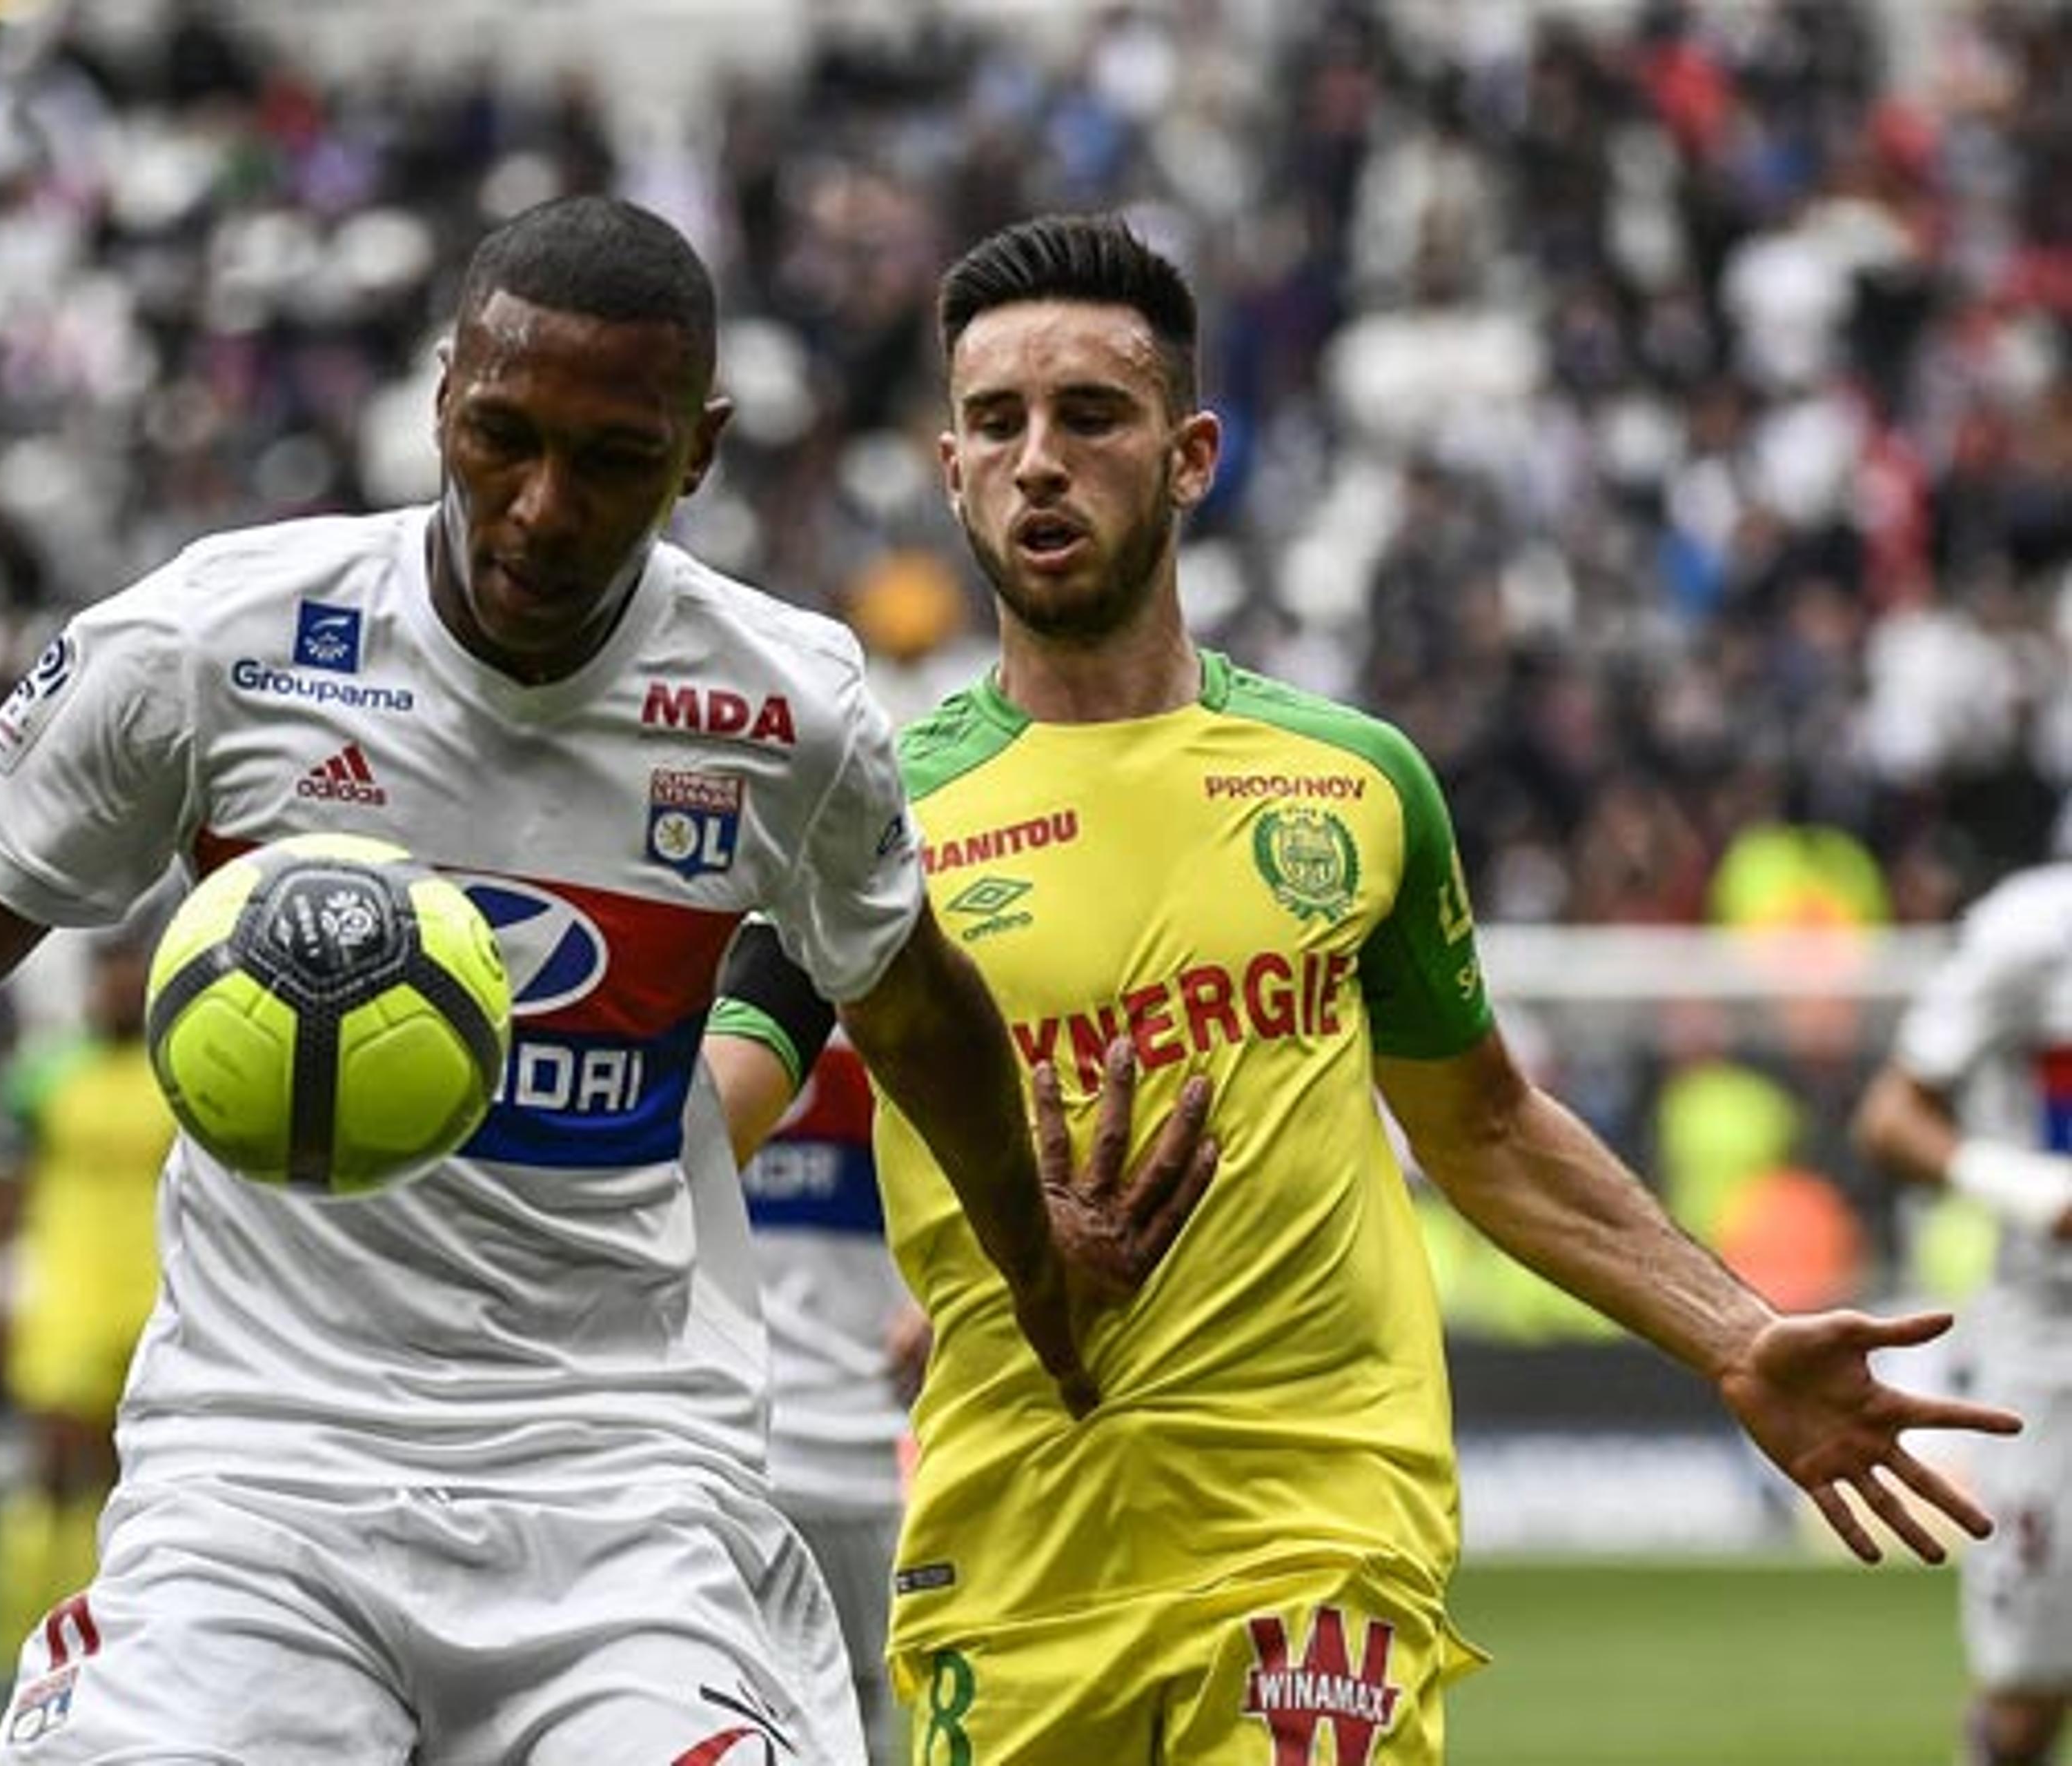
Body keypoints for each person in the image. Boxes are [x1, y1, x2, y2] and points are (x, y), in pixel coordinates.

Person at [0, 195, 1192, 1766]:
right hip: (260, 1471)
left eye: (612, 458)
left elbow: (910, 1002)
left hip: (619, 1491)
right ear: (441, 391)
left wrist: (1043, 1283)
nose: (540, 506)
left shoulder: (783, 707)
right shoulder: (213, 645)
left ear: (700, 455)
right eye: (500, 435)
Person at [704, 211, 2023, 1765]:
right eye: (997, 423)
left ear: (1193, 455)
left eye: (1092, 416)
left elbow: (1489, 1129)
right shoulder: (866, 815)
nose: (1039, 460)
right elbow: (700, 1121)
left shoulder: (1353, 782)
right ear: (950, 470)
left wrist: (1733, 1330)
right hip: (1008, 1541)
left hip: (1315, 1534)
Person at [1853, 862, 2072, 1766]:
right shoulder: (2033, 933)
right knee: (2025, 1697)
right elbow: (1890, 1119)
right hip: (2053, 1337)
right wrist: (2035, 1191)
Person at [705, 994, 916, 1765]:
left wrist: (953, 1289)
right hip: (738, 1447)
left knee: (872, 1715)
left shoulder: (909, 995)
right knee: (741, 1711)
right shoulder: (700, 1005)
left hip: (871, 1448)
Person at [0, 925, 178, 1678]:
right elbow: (3, 1191)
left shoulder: (179, 1065)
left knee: (137, 1485)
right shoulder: (45, 1074)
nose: (120, 989)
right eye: (110, 974)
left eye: (131, 974)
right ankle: (17, 1649)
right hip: (68, 1295)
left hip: (162, 1298)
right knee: (51, 1472)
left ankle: (114, 1647)